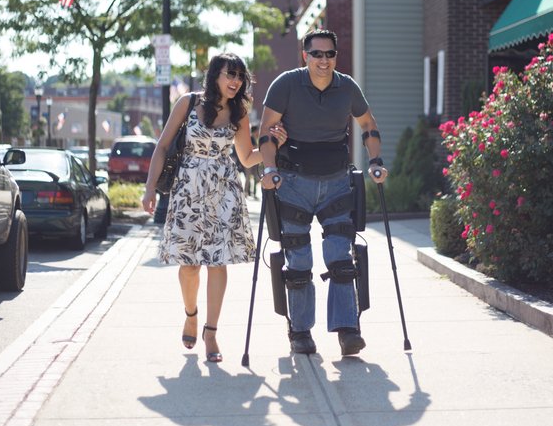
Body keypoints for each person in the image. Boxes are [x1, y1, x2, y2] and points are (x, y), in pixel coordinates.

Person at [142, 53, 286, 364]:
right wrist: (150, 188)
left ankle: (211, 331)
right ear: (215, 76)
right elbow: (163, 146)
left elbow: (247, 158)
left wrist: (274, 146)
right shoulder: (189, 103)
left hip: (224, 192)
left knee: (218, 263)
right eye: (229, 74)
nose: (235, 81)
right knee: (189, 265)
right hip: (188, 191)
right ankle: (191, 314)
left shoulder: (240, 112)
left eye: (239, 76)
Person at [258, 29, 388, 357]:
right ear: (305, 56)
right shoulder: (285, 84)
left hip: (335, 183)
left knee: (340, 257)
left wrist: (376, 160)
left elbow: (368, 125)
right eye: (317, 54)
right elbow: (265, 133)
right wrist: (270, 169)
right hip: (293, 183)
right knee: (299, 260)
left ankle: (348, 330)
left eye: (330, 54)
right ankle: (300, 331)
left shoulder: (347, 87)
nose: (324, 60)